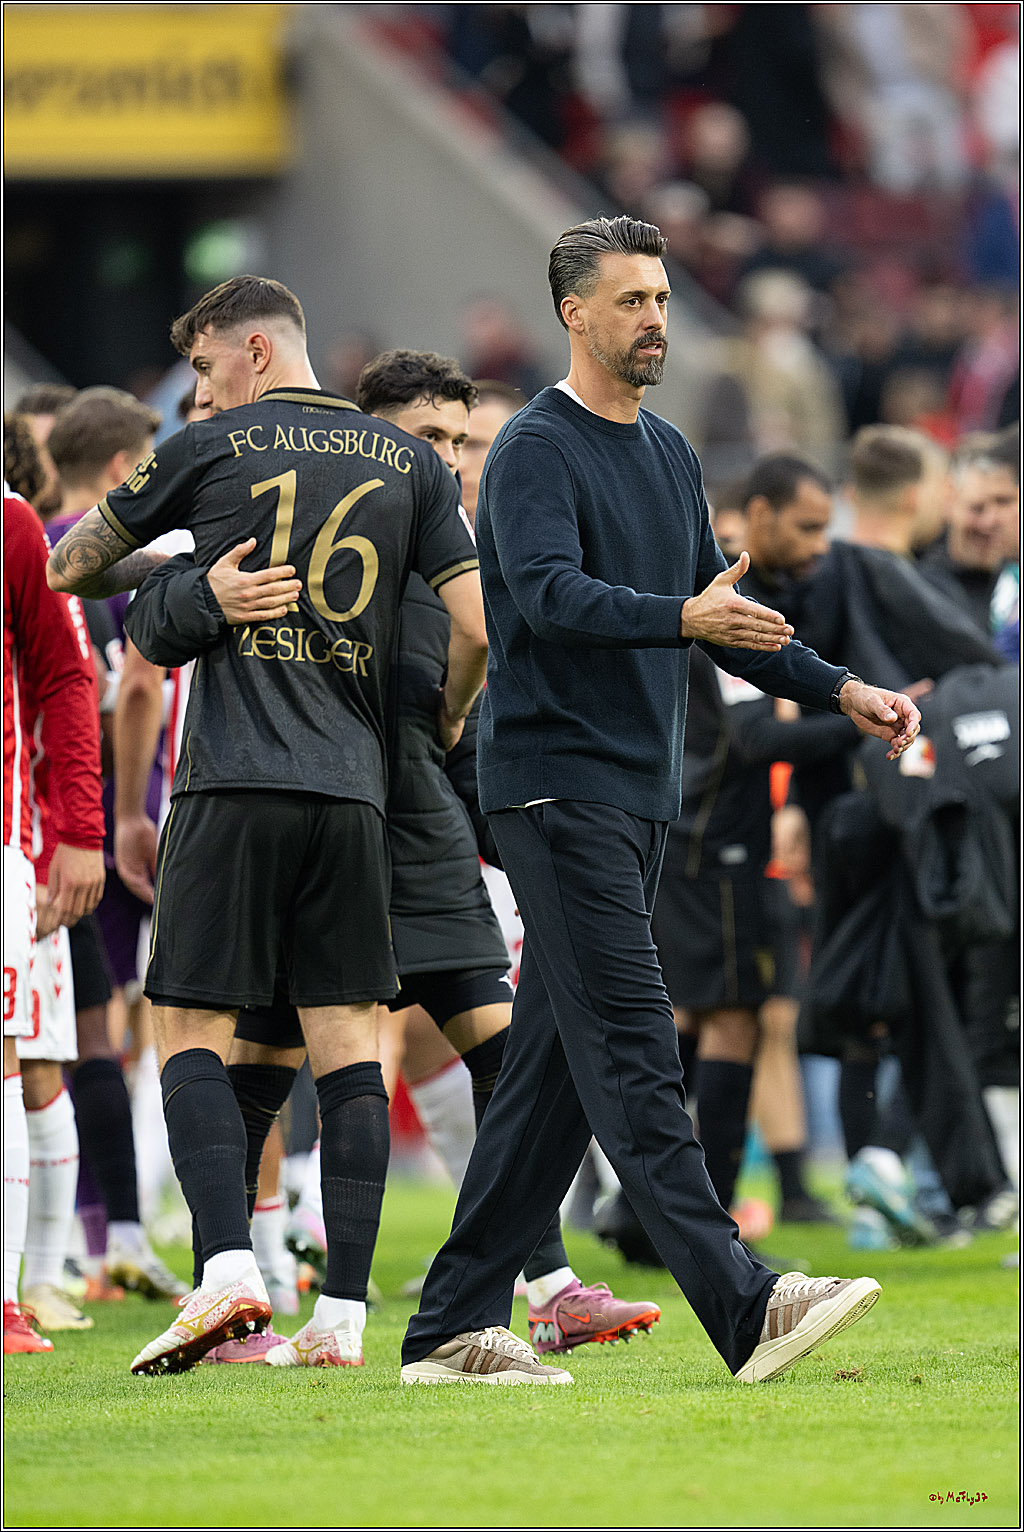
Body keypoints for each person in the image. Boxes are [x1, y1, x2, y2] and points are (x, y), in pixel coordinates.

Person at [400, 215, 919, 1387]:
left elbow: (719, 617)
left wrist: (841, 689)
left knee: (550, 1077)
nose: (655, 320)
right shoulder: (534, 447)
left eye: (664, 299)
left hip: (635, 796)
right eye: (632, 299)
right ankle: (745, 1301)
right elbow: (543, 595)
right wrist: (683, 614)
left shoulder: (672, 451)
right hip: (554, 788)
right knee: (638, 1047)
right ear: (573, 312)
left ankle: (448, 1327)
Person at [128, 348, 660, 1362]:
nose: (450, 460)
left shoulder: (451, 553)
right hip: (358, 818)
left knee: (489, 1053)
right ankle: (270, 1283)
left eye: (462, 442)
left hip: (413, 827)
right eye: (433, 438)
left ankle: (533, 1282)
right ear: (373, 441)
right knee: (276, 1065)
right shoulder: (376, 547)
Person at [47, 275, 487, 1375]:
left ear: (250, 349)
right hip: (355, 794)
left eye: (201, 365)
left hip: (234, 780)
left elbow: (69, 561)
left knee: (188, 1023)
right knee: (348, 1039)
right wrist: (446, 716)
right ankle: (340, 1316)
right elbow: (476, 625)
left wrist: (194, 584)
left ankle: (229, 1270)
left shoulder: (213, 446)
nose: (198, 386)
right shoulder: (414, 463)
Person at [4, 487, 106, 1353]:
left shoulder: (12, 525)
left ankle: (27, 1281)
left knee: (26, 1059)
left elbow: (70, 680)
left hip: (18, 846)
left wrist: (78, 831)